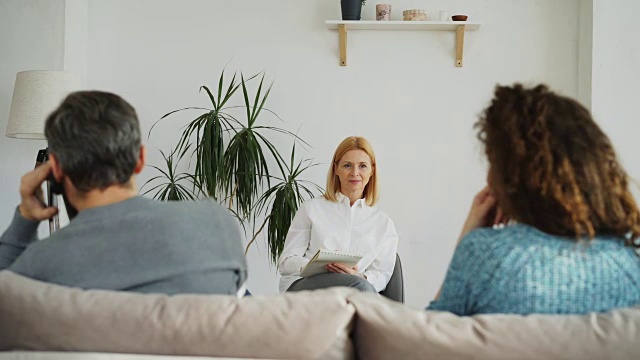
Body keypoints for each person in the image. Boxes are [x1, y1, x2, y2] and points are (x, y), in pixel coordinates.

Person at [0, 91, 248, 296]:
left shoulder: (41, 265)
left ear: (55, 169)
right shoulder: (216, 225)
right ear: (140, 159)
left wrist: (25, 218)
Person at [427, 84, 640, 315]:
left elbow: (429, 339)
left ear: (509, 178)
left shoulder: (485, 257)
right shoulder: (627, 265)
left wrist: (467, 238)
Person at [278, 136, 398, 293]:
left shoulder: (383, 223)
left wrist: (359, 276)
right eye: (347, 165)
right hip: (307, 285)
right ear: (336, 169)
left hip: (355, 287)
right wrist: (314, 265)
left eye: (362, 166)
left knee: (358, 286)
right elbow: (286, 262)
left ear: (372, 170)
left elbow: (382, 274)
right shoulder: (311, 209)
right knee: (359, 289)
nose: (355, 173)